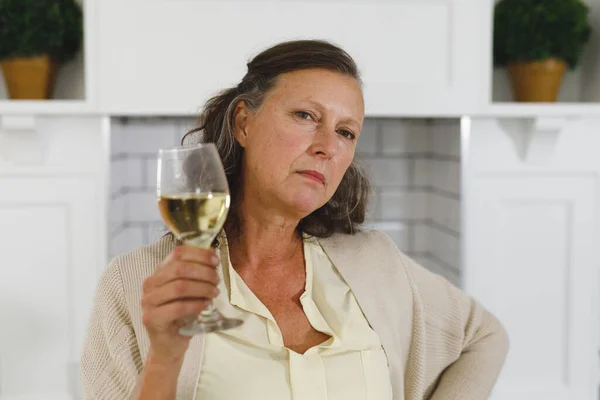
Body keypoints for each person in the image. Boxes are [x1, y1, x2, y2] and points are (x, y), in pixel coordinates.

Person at [81, 39, 509, 400]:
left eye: (346, 132)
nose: (327, 146)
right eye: (306, 116)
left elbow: (484, 337)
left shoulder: (376, 262)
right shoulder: (134, 282)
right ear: (244, 123)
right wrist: (166, 358)